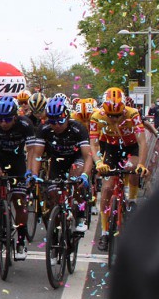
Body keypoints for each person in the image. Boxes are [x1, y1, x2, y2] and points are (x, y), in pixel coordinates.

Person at [90, 87, 148, 251]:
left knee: (133, 168)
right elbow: (93, 144)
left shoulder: (133, 114)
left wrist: (142, 164)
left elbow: (143, 142)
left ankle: (132, 199)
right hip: (112, 149)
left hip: (131, 147)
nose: (114, 119)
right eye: (111, 116)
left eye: (118, 115)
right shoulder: (97, 116)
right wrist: (99, 162)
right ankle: (105, 232)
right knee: (107, 189)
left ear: (124, 109)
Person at [28, 96, 94, 235]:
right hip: (57, 161)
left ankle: (80, 215)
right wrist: (33, 174)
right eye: (52, 121)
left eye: (60, 120)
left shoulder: (78, 128)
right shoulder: (44, 128)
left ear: (68, 116)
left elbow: (88, 155)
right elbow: (37, 155)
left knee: (76, 179)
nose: (56, 125)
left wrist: (85, 175)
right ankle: (57, 232)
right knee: (53, 195)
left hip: (76, 158)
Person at [0, 96, 37, 260]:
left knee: (20, 201)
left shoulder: (25, 124)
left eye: (7, 119)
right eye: (0, 119)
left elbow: (33, 150)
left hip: (17, 160)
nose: (3, 123)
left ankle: (20, 240)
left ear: (15, 116)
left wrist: (30, 171)